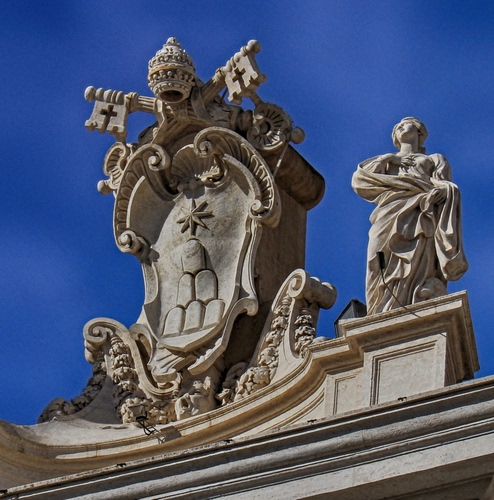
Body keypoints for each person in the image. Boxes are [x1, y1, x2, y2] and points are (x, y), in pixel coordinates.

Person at [352, 117, 468, 315]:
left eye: (405, 124)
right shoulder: (387, 161)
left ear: (419, 132)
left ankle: (413, 300)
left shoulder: (434, 159)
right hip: (389, 211)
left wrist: (443, 192)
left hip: (421, 212)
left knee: (416, 259)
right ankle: (380, 308)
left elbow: (445, 186)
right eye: (397, 127)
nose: (400, 127)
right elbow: (360, 181)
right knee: (377, 255)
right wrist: (389, 159)